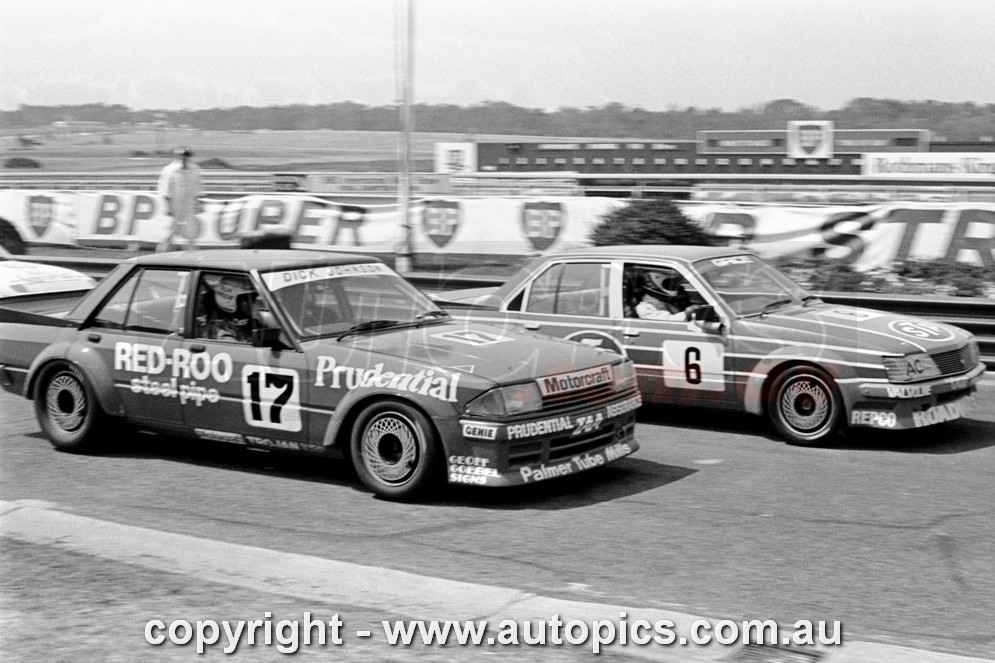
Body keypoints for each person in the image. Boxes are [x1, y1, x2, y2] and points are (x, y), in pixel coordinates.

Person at [157, 147, 201, 252]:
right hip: (174, 207)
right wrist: (168, 208)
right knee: (168, 234)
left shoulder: (194, 170)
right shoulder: (169, 170)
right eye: (182, 156)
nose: (184, 158)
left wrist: (197, 203)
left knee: (190, 235)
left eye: (186, 156)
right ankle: (160, 256)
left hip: (188, 207)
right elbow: (164, 191)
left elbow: (197, 188)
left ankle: (192, 257)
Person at [196, 276, 256, 342]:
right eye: (248, 299)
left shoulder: (249, 323)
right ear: (229, 300)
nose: (253, 302)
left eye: (254, 298)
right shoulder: (222, 330)